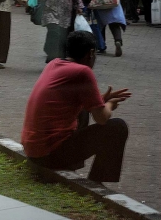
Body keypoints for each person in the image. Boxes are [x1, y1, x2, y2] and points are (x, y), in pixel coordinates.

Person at [21, 31, 130, 183]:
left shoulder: (54, 64)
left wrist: (101, 100)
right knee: (117, 127)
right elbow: (102, 119)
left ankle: (71, 167)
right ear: (91, 53)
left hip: (33, 150)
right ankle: (96, 183)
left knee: (84, 112)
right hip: (49, 155)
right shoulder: (83, 72)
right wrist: (110, 104)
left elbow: (69, 101)